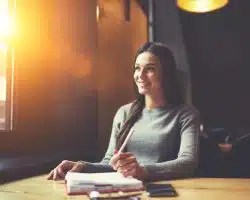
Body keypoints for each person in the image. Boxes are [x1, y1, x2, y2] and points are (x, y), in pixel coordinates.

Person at [47, 42, 200, 181]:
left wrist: (142, 171)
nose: (140, 75)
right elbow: (110, 163)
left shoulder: (185, 114)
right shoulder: (124, 113)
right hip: (127, 191)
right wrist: (82, 166)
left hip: (167, 192)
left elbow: (187, 163)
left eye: (150, 69)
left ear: (166, 74)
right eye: (137, 68)